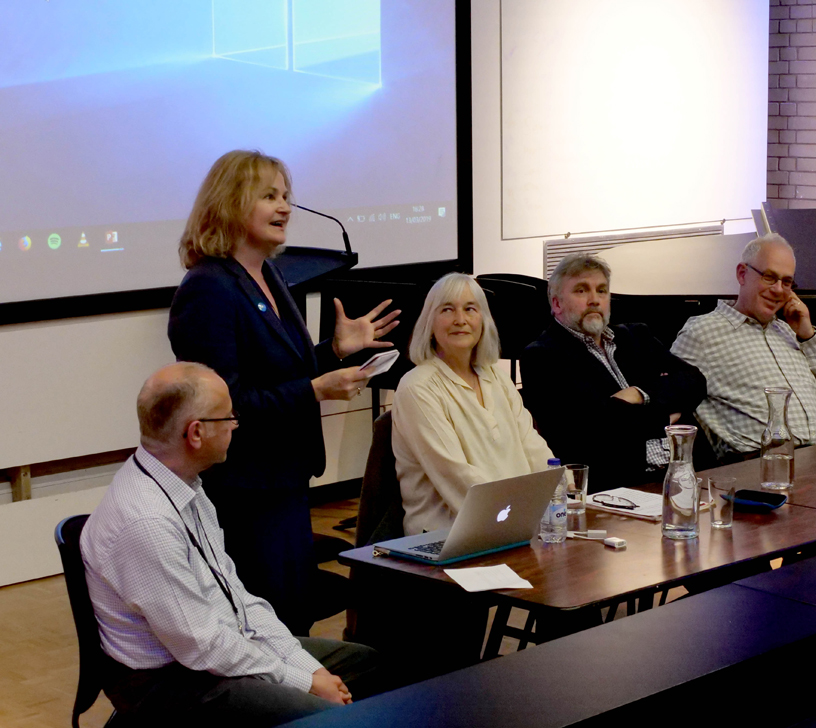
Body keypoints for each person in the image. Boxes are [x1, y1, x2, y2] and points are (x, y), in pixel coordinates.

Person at [168, 150, 399, 635]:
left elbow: (277, 371)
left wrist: (334, 351)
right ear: (231, 202)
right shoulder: (208, 288)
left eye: (286, 196)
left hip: (285, 478)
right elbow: (225, 406)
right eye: (269, 196)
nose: (285, 207)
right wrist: (314, 390)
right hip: (245, 488)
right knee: (271, 624)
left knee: (294, 614)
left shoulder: (269, 274)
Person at [81, 363, 386, 727]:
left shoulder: (184, 484)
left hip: (210, 651)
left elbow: (236, 599)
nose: (235, 424)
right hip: (169, 684)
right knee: (330, 719)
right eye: (228, 416)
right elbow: (203, 647)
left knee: (366, 665)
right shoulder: (147, 522)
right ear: (196, 433)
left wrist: (309, 670)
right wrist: (304, 682)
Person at [520, 253, 708, 489]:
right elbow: (594, 429)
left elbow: (694, 382)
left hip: (694, 469)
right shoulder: (542, 356)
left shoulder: (637, 336)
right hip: (624, 486)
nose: (594, 300)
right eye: (581, 290)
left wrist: (639, 395)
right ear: (557, 304)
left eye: (601, 290)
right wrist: (667, 416)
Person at [392, 272, 556, 535]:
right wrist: (524, 514)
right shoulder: (417, 387)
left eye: (470, 309)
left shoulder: (496, 378)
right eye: (447, 309)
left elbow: (532, 447)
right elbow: (456, 477)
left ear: (483, 320)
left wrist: (562, 494)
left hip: (515, 523)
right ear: (429, 322)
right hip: (448, 535)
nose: (460, 320)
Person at [671, 233, 816, 454]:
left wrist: (808, 336)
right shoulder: (702, 333)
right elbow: (666, 400)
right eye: (769, 277)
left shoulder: (790, 331)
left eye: (786, 282)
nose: (778, 290)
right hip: (759, 463)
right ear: (742, 274)